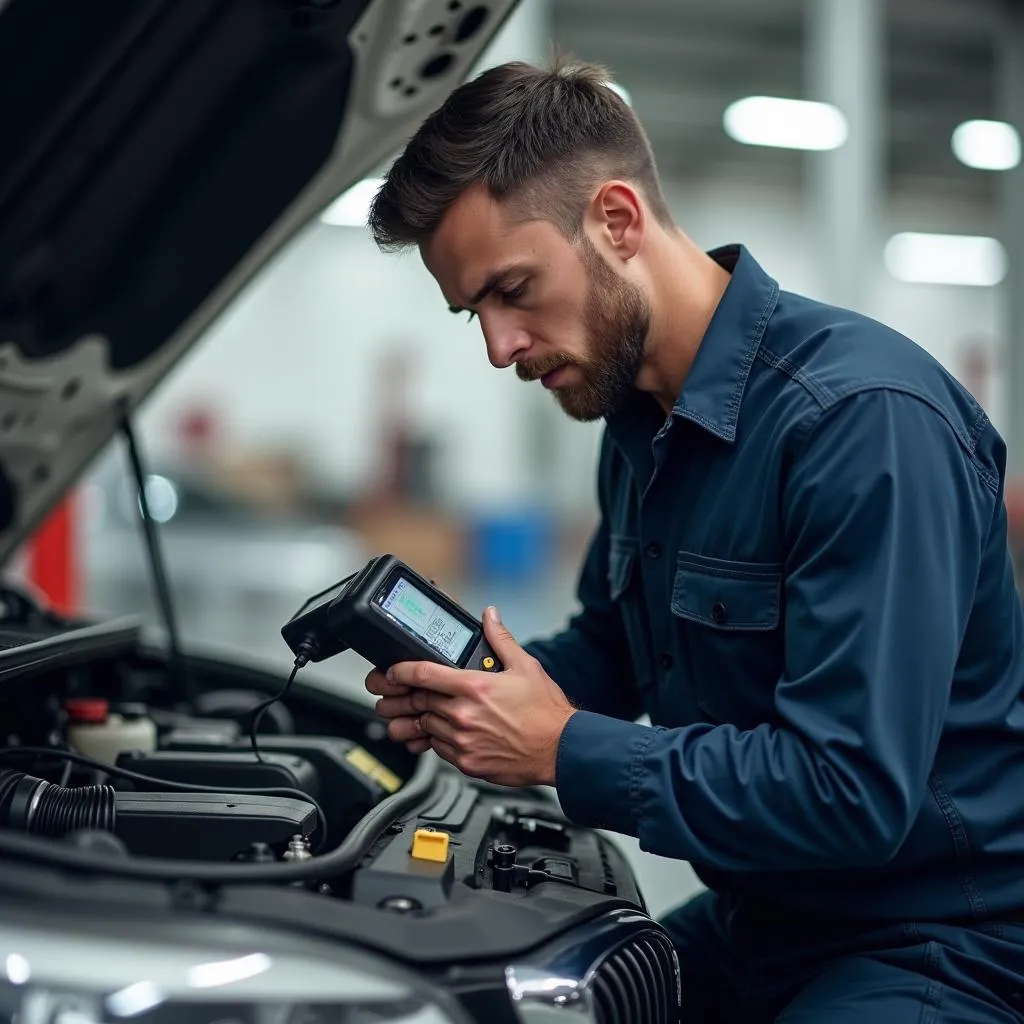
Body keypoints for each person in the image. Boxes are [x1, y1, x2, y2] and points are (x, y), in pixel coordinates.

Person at [363, 57, 1024, 1022]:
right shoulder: (635, 422)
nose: (498, 346)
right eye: (475, 312)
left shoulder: (862, 424)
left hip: (933, 941)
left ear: (617, 221)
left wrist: (562, 749)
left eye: (513, 289)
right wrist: (473, 690)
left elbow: (850, 792)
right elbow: (612, 648)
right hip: (765, 915)